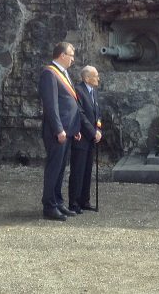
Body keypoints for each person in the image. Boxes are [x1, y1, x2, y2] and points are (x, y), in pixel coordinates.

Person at [38, 42, 82, 221]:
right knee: (54, 169)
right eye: (71, 55)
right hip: (57, 131)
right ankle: (49, 206)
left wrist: (75, 127)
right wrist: (59, 129)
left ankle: (57, 201)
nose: (73, 59)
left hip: (68, 130)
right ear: (62, 55)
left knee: (61, 169)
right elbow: (51, 105)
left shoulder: (64, 73)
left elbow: (70, 103)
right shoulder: (49, 73)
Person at [69, 66, 102, 214]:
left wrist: (99, 130)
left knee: (88, 170)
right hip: (81, 137)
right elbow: (80, 114)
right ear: (87, 78)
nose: (98, 78)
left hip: (92, 137)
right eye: (95, 76)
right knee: (78, 170)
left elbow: (97, 113)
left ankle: (84, 200)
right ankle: (74, 202)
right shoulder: (78, 91)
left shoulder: (94, 91)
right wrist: (92, 132)